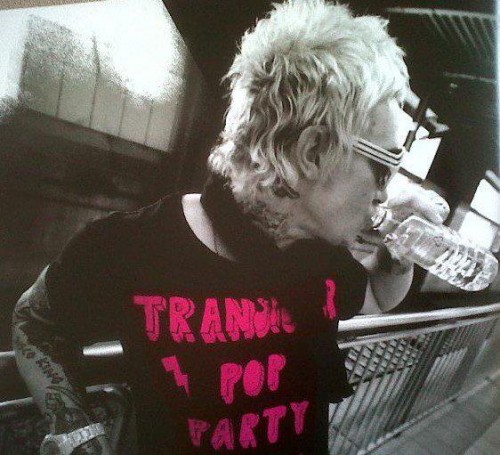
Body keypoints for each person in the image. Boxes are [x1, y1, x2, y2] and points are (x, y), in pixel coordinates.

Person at [12, 1, 449, 454]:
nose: (385, 192)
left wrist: (399, 257)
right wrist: (76, 430)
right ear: (313, 151)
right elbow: (35, 320)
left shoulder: (319, 253)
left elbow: (376, 296)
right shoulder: (133, 246)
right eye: (384, 167)